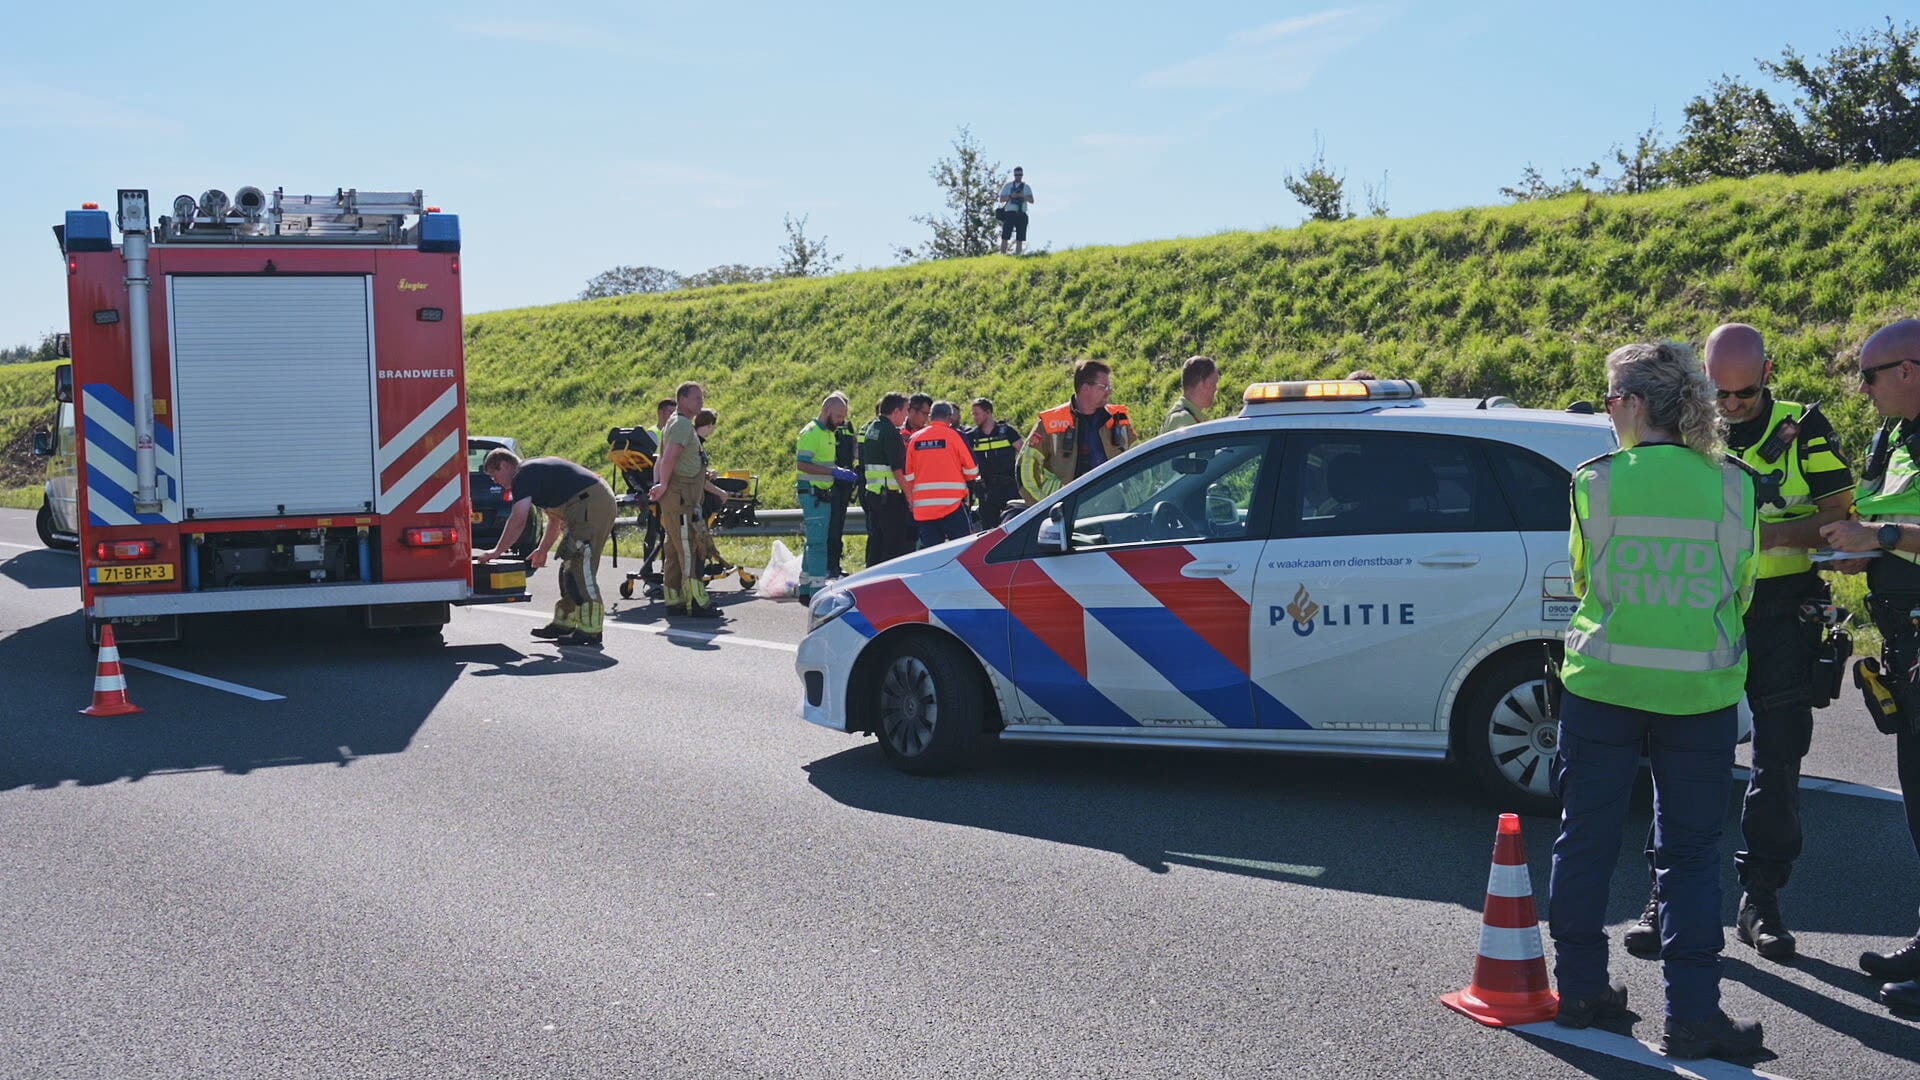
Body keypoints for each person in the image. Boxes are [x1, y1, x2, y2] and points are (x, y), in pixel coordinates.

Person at [1546, 341, 1763, 1061]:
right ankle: (1693, 1016)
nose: (1609, 416)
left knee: (1586, 840)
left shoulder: (1595, 483)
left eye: (1610, 403)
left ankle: (1580, 989)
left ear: (1637, 404)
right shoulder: (1733, 484)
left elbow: (1583, 579)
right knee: (1692, 856)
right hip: (1699, 694)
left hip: (1603, 687)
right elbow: (1743, 588)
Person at [1617, 325, 1854, 964]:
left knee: (1777, 761)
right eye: (1718, 394)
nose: (1729, 408)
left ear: (1767, 374)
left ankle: (1761, 902)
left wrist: (1761, 536)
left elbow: (1841, 517)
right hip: (1710, 605)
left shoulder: (1802, 428)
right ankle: (1663, 897)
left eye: (1743, 394)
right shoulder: (1691, 427)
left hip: (1781, 613)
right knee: (1680, 753)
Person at [1817, 318, 1920, 1014]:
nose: (1862, 387)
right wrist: (1865, 551)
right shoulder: (1894, 435)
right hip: (1903, 641)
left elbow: (1892, 524)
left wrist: (1877, 535)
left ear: (1911, 369)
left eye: (1872, 374)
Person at [478, 449, 618, 647]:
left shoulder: (523, 475)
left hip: (591, 504)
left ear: (504, 464)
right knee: (568, 568)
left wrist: (496, 552)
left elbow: (518, 520)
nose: (495, 481)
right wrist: (543, 549)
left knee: (579, 568)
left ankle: (591, 630)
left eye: (494, 474)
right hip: (589, 503)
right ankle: (564, 623)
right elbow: (554, 519)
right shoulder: (535, 474)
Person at [1018, 359, 1136, 504]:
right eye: (1104, 387)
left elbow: (1141, 458)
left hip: (1116, 504)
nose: (1109, 392)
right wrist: (1041, 507)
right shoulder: (1050, 422)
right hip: (1069, 508)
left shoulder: (1118, 416)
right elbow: (1025, 468)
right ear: (1085, 388)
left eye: (1110, 387)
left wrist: (1140, 498)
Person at [648, 382, 718, 618]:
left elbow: (670, 459)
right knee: (690, 548)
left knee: (674, 547)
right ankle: (697, 601)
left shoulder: (678, 424)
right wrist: (664, 484)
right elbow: (669, 457)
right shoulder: (681, 425)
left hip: (680, 496)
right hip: (681, 497)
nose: (701, 402)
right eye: (697, 398)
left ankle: (675, 598)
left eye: (702, 397)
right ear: (683, 400)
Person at [795, 393, 859, 599]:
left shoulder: (829, 433)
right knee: (818, 543)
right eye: (839, 416)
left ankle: (806, 585)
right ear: (826, 411)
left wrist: (838, 470)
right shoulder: (811, 433)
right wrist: (834, 472)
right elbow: (802, 464)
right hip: (813, 493)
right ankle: (817, 589)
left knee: (814, 540)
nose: (841, 421)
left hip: (822, 493)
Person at [905, 401, 979, 548]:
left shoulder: (915, 439)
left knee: (932, 556)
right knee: (962, 552)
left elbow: (908, 476)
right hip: (952, 506)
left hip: (924, 509)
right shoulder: (955, 436)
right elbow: (972, 471)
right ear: (949, 418)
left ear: (930, 417)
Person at [861, 393, 916, 566]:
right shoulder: (891, 432)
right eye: (905, 411)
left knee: (876, 541)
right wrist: (909, 496)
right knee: (893, 543)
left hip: (874, 494)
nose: (906, 416)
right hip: (889, 497)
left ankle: (870, 580)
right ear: (896, 411)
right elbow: (897, 469)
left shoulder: (872, 428)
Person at [964, 397, 1021, 529]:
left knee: (1014, 526)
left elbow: (1024, 453)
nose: (974, 417)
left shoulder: (1007, 432)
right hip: (986, 490)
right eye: (973, 414)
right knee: (989, 529)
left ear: (988, 412)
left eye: (977, 413)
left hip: (1009, 487)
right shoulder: (972, 436)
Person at [829, 406, 860, 578]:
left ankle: (835, 565)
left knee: (838, 526)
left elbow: (854, 447)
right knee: (832, 527)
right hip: (831, 481)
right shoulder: (827, 428)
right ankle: (830, 566)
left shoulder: (848, 426)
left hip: (845, 482)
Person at [1162, 356, 1221, 435]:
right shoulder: (1182, 420)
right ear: (1205, 383)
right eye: (1214, 383)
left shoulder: (1190, 416)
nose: (1216, 389)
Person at [997, 166, 1035, 255]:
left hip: (1022, 213)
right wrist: (1011, 196)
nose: (1018, 176)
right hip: (1010, 213)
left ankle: (1018, 255)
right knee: (1005, 236)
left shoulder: (1026, 187)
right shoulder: (1008, 186)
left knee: (1020, 238)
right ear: (1014, 175)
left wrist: (1023, 196)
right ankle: (1003, 254)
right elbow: (1001, 199)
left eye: (1020, 174)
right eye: (1016, 175)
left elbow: (1032, 200)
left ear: (1022, 175)